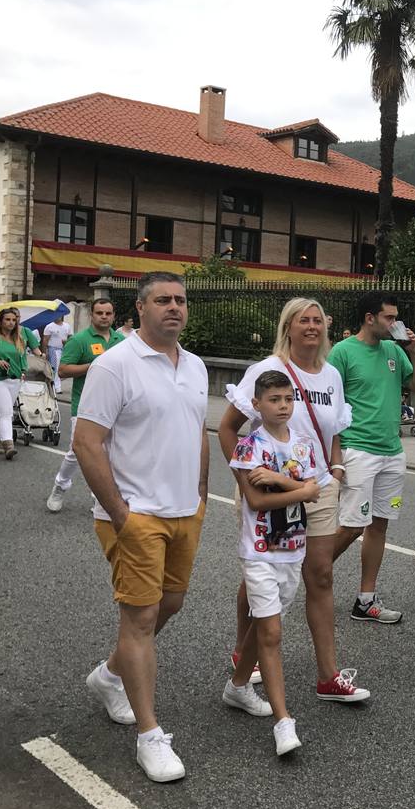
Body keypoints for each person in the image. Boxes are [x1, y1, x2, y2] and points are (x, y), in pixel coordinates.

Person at [74, 272, 208, 783]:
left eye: (180, 300)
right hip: (135, 515)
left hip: (183, 510)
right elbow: (88, 442)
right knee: (142, 619)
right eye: (162, 300)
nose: (174, 308)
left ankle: (110, 676)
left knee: (169, 605)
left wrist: (199, 494)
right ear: (141, 307)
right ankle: (150, 737)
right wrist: (122, 515)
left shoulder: (194, 365)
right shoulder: (115, 365)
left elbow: (196, 430)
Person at [219, 298, 367, 702]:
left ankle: (328, 676)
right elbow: (228, 428)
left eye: (318, 320)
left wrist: (334, 471)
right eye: (304, 320)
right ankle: (243, 655)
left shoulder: (332, 375)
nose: (312, 326)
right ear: (288, 326)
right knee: (260, 572)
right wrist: (247, 481)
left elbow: (335, 430)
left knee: (320, 574)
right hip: (268, 491)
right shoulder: (268, 371)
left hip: (316, 488)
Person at [227, 370, 323, 757]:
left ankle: (236, 687)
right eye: (274, 400)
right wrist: (299, 489)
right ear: (257, 404)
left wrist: (282, 482)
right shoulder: (249, 448)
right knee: (271, 632)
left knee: (264, 626)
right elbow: (257, 502)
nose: (283, 406)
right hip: (260, 551)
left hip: (293, 550)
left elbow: (314, 491)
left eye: (288, 399)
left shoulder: (303, 443)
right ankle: (284, 722)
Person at [325, 292, 415, 624]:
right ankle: (312, 571)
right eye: (389, 318)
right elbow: (330, 405)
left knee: (379, 524)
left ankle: (365, 599)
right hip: (358, 450)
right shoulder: (342, 352)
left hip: (392, 452)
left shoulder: (396, 350)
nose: (395, 324)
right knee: (353, 525)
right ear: (370, 318)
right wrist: (334, 454)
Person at [47, 299, 123, 512]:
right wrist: (94, 365)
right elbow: (63, 370)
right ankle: (60, 486)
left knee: (108, 453)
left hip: (114, 406)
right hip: (84, 405)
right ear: (92, 315)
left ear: (114, 316)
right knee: (76, 451)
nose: (104, 317)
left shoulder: (121, 340)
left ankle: (100, 496)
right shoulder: (79, 340)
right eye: (99, 313)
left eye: (108, 313)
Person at [0, 307, 41, 459]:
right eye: (7, 319)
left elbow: (23, 358)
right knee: (6, 412)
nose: (11, 322)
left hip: (14, 379)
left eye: (14, 320)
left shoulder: (19, 339)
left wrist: (23, 371)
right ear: (0, 321)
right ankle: (8, 444)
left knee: (2, 412)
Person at [42, 313, 73, 395]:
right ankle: (56, 387)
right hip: (53, 350)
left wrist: (67, 343)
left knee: (61, 368)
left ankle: (53, 385)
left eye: (59, 315)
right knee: (55, 368)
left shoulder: (67, 326)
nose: (57, 317)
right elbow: (45, 340)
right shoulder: (49, 326)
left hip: (64, 350)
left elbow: (71, 338)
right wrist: (44, 352)